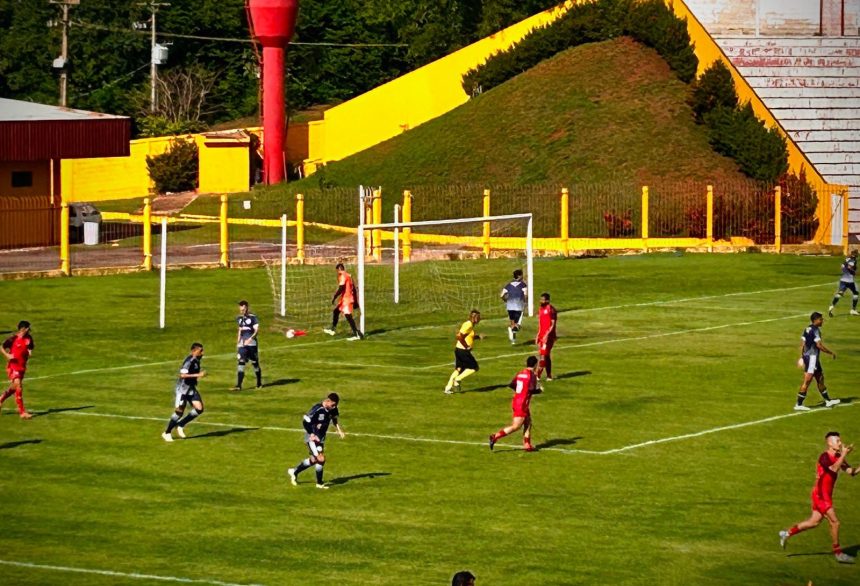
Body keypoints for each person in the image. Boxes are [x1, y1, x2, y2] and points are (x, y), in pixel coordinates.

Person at [779, 431, 859, 563]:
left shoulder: (839, 456)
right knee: (835, 522)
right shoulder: (824, 457)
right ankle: (838, 553)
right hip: (820, 495)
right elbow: (833, 468)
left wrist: (845, 457)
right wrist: (844, 454)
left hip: (825, 495)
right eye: (837, 441)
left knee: (814, 522)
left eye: (840, 440)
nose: (840, 443)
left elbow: (852, 472)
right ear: (829, 443)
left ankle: (786, 533)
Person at [287, 393, 345, 489]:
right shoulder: (317, 409)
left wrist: (339, 430)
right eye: (333, 405)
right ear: (328, 401)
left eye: (335, 405)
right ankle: (319, 483)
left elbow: (334, 419)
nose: (334, 407)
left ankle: (294, 471)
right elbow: (305, 421)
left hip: (320, 438)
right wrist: (312, 434)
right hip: (312, 438)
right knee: (321, 459)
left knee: (314, 460)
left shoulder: (333, 409)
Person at [489, 356, 538, 452]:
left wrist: (520, 392)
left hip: (517, 400)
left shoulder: (521, 373)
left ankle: (527, 444)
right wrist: (539, 390)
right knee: (516, 426)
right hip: (522, 403)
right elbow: (532, 389)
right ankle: (495, 437)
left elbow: (511, 384)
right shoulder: (532, 375)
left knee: (528, 422)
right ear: (536, 364)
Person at [795, 311, 840, 411]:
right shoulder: (815, 330)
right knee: (807, 381)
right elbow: (818, 345)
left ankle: (828, 401)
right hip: (812, 358)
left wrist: (802, 357)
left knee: (820, 378)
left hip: (811, 358)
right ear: (815, 320)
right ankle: (799, 404)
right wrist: (830, 353)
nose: (822, 321)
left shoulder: (807, 329)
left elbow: (803, 344)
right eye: (821, 319)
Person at [162, 342, 206, 442]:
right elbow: (182, 375)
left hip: (191, 389)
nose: (202, 353)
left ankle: (181, 424)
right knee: (179, 412)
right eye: (200, 351)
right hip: (182, 390)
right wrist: (198, 375)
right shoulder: (189, 361)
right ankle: (167, 432)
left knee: (199, 408)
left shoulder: (197, 360)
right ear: (194, 351)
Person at [0, 320, 35, 419]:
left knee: (14, 387)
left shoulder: (29, 338)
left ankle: (1, 399)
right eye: (28, 328)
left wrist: (29, 351)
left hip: (22, 367)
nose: (29, 330)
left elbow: (30, 347)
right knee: (19, 386)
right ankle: (22, 412)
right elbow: (1, 347)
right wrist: (7, 355)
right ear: (23, 329)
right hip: (13, 366)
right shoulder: (13, 339)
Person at [444, 310, 482, 394]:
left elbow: (466, 336)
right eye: (478, 317)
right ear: (474, 317)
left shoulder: (470, 325)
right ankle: (458, 379)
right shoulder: (468, 324)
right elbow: (459, 336)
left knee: (459, 369)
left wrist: (477, 337)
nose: (480, 319)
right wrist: (466, 346)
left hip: (459, 350)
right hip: (463, 351)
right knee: (474, 367)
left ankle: (448, 388)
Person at [323, 262, 363, 340]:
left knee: (348, 316)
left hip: (346, 300)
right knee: (336, 312)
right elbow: (354, 289)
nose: (338, 273)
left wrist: (334, 297)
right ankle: (332, 330)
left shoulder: (343, 276)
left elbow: (341, 288)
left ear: (339, 269)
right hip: (345, 299)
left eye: (337, 271)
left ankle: (356, 334)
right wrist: (355, 301)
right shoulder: (349, 276)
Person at [231, 300, 262, 391]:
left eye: (243, 309)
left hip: (251, 344)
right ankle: (239, 385)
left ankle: (259, 382)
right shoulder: (239, 318)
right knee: (241, 362)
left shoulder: (253, 318)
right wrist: (238, 342)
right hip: (242, 344)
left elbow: (256, 331)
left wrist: (250, 339)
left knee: (254, 363)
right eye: (241, 310)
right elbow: (240, 330)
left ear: (247, 307)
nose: (242, 311)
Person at [534, 292, 558, 386]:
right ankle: (549, 376)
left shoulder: (551, 310)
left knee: (543, 356)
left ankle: (537, 376)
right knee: (546, 356)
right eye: (540, 299)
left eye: (543, 300)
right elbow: (541, 324)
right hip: (542, 336)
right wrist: (538, 334)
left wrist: (547, 335)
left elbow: (552, 324)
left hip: (549, 337)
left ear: (547, 300)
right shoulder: (540, 309)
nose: (541, 301)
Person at [500, 269, 527, 345]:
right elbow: (525, 295)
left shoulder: (508, 285)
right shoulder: (523, 285)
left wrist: (506, 301)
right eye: (521, 275)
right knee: (517, 325)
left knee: (513, 323)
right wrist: (525, 303)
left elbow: (501, 295)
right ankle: (510, 331)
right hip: (519, 306)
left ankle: (513, 341)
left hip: (510, 307)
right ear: (519, 276)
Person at [828, 249, 859, 317]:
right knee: (855, 293)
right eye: (857, 254)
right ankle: (853, 310)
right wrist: (854, 272)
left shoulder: (847, 259)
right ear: (855, 254)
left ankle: (831, 306)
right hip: (849, 280)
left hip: (843, 280)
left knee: (840, 293)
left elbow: (842, 266)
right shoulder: (852, 260)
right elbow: (849, 267)